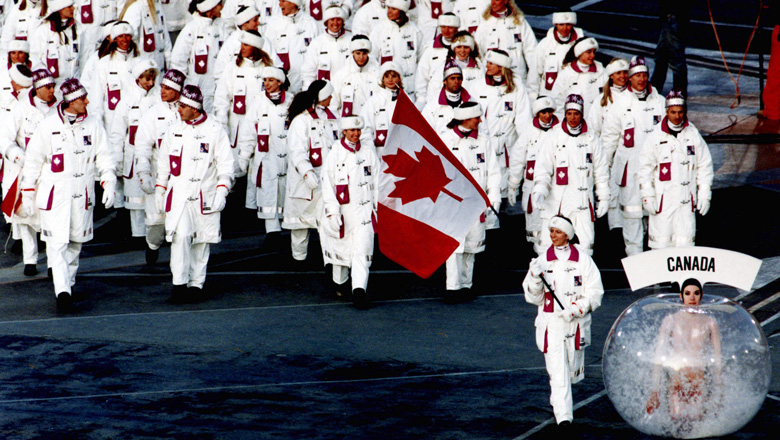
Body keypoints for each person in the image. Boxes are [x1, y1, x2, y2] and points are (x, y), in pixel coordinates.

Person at [20, 78, 117, 312]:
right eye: (83, 98)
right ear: (71, 101)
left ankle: (68, 284)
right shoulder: (48, 125)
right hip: (55, 196)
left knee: (75, 244)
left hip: (81, 196)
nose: (88, 101)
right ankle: (62, 291)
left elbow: (104, 157)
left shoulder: (93, 125)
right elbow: (32, 161)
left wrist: (109, 181)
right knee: (56, 245)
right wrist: (27, 192)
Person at [155, 85, 234, 303]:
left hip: (204, 194)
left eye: (182, 105)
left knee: (201, 240)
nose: (178, 109)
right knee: (180, 237)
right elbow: (163, 163)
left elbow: (226, 166)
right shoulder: (173, 129)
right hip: (179, 195)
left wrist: (222, 190)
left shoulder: (216, 130)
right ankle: (179, 284)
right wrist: (160, 189)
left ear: (194, 108)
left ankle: (196, 284)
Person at [522, 214, 604, 426]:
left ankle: (559, 404)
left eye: (558, 232)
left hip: (575, 324)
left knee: (570, 372)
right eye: (551, 231)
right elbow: (534, 298)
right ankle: (564, 417)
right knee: (558, 373)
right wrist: (533, 279)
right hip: (551, 325)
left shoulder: (584, 260)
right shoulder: (541, 260)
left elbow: (595, 293)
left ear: (568, 235)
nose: (553, 235)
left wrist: (575, 309)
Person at [601, 56, 665, 256]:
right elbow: (609, 139)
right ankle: (635, 259)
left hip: (656, 172)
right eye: (637, 75)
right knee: (632, 215)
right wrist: (604, 171)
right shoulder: (619, 104)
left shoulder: (661, 102)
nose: (641, 79)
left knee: (657, 215)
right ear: (629, 78)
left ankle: (657, 258)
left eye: (644, 75)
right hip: (629, 173)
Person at [532, 94, 609, 255]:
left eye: (576, 113)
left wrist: (603, 197)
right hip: (557, 202)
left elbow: (601, 172)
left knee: (585, 247)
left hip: (582, 203)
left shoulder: (591, 138)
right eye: (569, 113)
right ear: (564, 114)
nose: (573, 117)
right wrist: (540, 190)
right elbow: (543, 168)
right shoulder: (553, 135)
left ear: (582, 114)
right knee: (548, 248)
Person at [439, 102, 500, 303]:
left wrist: (494, 197)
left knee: (472, 246)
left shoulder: (484, 140)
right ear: (466, 118)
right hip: (453, 202)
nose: (480, 121)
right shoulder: (446, 139)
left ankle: (466, 285)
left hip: (477, 202)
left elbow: (493, 170)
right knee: (454, 246)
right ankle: (452, 287)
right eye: (477, 117)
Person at [637, 90, 713, 249]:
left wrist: (704, 193)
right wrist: (647, 196)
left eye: (680, 112)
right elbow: (644, 169)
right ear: (666, 112)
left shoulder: (693, 134)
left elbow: (704, 165)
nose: (677, 116)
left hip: (685, 204)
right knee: (660, 247)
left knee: (685, 248)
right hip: (663, 204)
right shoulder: (655, 137)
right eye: (673, 112)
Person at [646, 278, 723, 435]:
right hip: (676, 381)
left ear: (701, 296)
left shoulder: (709, 321)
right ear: (681, 296)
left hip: (699, 381)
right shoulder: (671, 320)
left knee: (695, 423)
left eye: (696, 293)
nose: (692, 298)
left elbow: (717, 358)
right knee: (677, 422)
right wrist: (655, 390)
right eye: (688, 293)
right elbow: (658, 356)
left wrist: (719, 390)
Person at [320, 115, 380, 309]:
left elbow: (378, 183)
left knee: (362, 253)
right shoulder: (334, 154)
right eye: (352, 131)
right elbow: (328, 186)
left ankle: (359, 291)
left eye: (358, 130)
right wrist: (332, 212)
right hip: (344, 212)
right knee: (341, 256)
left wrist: (379, 208)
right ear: (344, 132)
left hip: (364, 213)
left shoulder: (369, 153)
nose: (356, 134)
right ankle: (340, 284)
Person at [133, 68, 187, 264]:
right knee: (156, 222)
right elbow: (142, 146)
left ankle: (179, 263)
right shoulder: (153, 113)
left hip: (182, 174)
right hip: (158, 173)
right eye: (162, 86)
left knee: (182, 223)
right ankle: (153, 244)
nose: (162, 90)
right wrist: (144, 172)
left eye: (167, 87)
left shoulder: (187, 110)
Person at [283, 79, 339, 262]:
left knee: (329, 222)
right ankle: (299, 259)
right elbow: (296, 151)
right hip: (305, 182)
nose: (332, 98)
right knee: (300, 226)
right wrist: (307, 172)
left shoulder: (332, 119)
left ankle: (330, 260)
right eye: (329, 95)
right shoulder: (301, 121)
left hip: (327, 181)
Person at [471, 48, 532, 211]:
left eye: (491, 63)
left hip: (506, 148)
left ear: (501, 66)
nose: (487, 66)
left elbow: (524, 122)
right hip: (483, 146)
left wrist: (526, 150)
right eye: (487, 62)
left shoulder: (517, 86)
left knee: (502, 195)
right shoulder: (477, 85)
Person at [108, 59, 160, 248]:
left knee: (153, 195)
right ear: (138, 78)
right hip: (132, 157)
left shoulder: (158, 99)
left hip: (153, 156)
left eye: (152, 78)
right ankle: (137, 234)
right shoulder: (127, 101)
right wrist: (118, 159)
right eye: (146, 78)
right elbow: (117, 133)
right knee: (135, 197)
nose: (150, 83)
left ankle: (153, 233)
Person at [236, 66, 292, 241]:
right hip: (266, 157)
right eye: (265, 81)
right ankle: (272, 231)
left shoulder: (291, 101)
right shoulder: (258, 102)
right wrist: (244, 155)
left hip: (287, 156)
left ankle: (289, 228)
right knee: (267, 191)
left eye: (270, 80)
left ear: (280, 82)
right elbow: (248, 131)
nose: (266, 84)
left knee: (286, 191)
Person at [507, 96, 559, 254]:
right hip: (532, 185)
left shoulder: (559, 131)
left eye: (549, 111)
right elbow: (517, 158)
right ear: (537, 114)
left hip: (554, 185)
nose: (547, 116)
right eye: (543, 112)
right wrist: (513, 184)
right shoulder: (529, 131)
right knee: (535, 226)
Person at [170, 0, 228, 113]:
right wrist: (184, 87)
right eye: (218, 5)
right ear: (209, 9)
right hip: (196, 88)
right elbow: (178, 60)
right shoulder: (192, 27)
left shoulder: (222, 27)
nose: (221, 7)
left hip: (217, 88)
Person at [368, 0, 424, 102]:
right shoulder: (379, 29)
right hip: (387, 86)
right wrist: (380, 78)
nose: (389, 11)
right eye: (388, 8)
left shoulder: (414, 30)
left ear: (402, 11)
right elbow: (371, 57)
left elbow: (422, 59)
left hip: (410, 86)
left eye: (393, 9)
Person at [263, 0, 320, 94]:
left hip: (307, 84)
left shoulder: (311, 23)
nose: (280, 4)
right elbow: (268, 54)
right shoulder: (273, 24)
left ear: (293, 3)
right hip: (284, 86)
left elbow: (319, 54)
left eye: (283, 1)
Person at [473, 0, 536, 84]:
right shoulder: (485, 24)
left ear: (506, 1)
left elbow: (531, 51)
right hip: (492, 78)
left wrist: (533, 78)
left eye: (497, 0)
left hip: (517, 76)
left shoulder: (519, 22)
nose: (493, 3)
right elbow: (477, 53)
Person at [527, 8, 582, 102]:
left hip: (573, 97)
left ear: (573, 24)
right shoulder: (545, 45)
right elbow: (534, 75)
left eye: (568, 24)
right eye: (561, 24)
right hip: (549, 98)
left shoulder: (581, 45)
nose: (564, 28)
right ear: (555, 24)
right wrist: (533, 100)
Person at [29, 0, 81, 88]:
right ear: (60, 9)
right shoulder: (43, 30)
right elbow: (34, 57)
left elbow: (82, 56)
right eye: (69, 6)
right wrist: (45, 81)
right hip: (53, 86)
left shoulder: (77, 27)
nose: (73, 8)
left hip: (74, 84)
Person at [414, 12, 460, 109]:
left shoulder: (462, 49)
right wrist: (421, 100)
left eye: (450, 27)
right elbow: (422, 75)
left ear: (456, 28)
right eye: (443, 27)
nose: (446, 31)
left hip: (457, 98)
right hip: (434, 99)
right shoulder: (431, 49)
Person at [550, 37, 603, 120]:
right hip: (574, 125)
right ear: (579, 53)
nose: (592, 55)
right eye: (588, 52)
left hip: (598, 123)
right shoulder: (566, 74)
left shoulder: (602, 72)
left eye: (594, 52)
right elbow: (557, 102)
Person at [300, 5, 352, 89]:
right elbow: (308, 73)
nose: (335, 23)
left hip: (347, 89)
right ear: (326, 22)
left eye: (338, 19)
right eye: (332, 19)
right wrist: (308, 94)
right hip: (325, 93)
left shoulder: (351, 40)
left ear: (343, 22)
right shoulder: (317, 43)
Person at [650, 0, 693, 96]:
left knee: (676, 57)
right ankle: (655, 88)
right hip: (670, 17)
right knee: (662, 53)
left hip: (674, 16)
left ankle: (679, 92)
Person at [330, 34, 379, 118]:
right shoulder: (341, 75)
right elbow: (333, 105)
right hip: (349, 126)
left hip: (372, 121)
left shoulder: (377, 74)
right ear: (352, 52)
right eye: (358, 53)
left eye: (364, 53)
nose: (361, 57)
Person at [118, 0, 174, 72]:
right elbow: (128, 40)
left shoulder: (157, 5)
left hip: (159, 65)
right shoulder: (135, 8)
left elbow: (165, 34)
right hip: (143, 68)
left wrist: (169, 60)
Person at [422, 61, 474, 133]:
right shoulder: (432, 106)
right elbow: (425, 132)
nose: (456, 81)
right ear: (445, 81)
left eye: (459, 78)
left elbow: (481, 130)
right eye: (452, 78)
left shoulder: (472, 102)